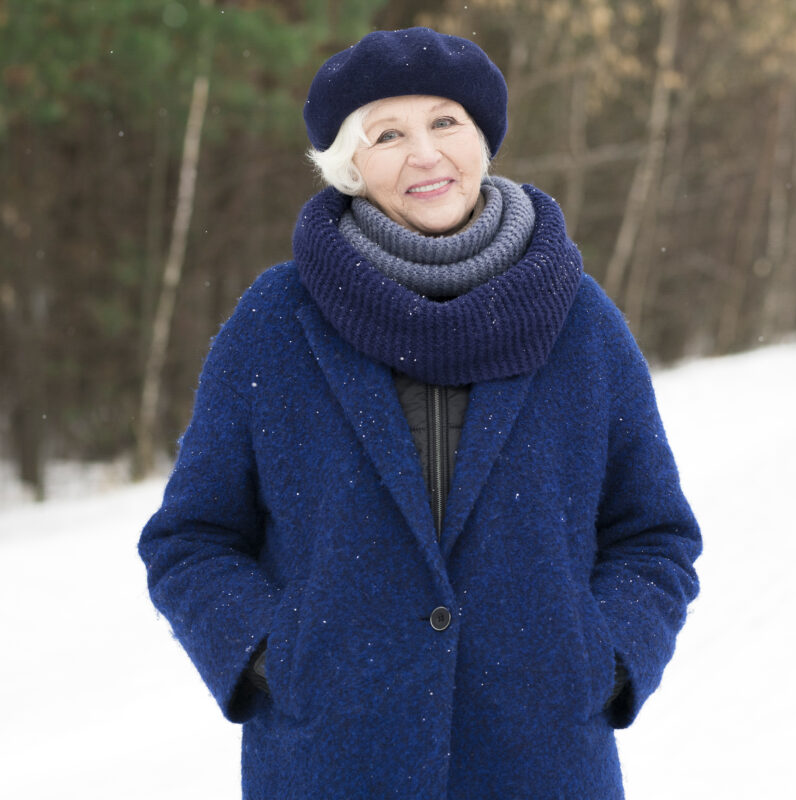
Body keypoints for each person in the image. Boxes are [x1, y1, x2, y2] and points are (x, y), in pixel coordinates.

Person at [139, 26, 701, 800]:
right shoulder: (275, 322)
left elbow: (653, 532)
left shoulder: (579, 319)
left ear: (482, 139)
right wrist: (273, 658)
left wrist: (603, 660)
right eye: (388, 134)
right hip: (331, 765)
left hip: (541, 761)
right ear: (348, 164)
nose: (426, 154)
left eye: (446, 122)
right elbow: (192, 538)